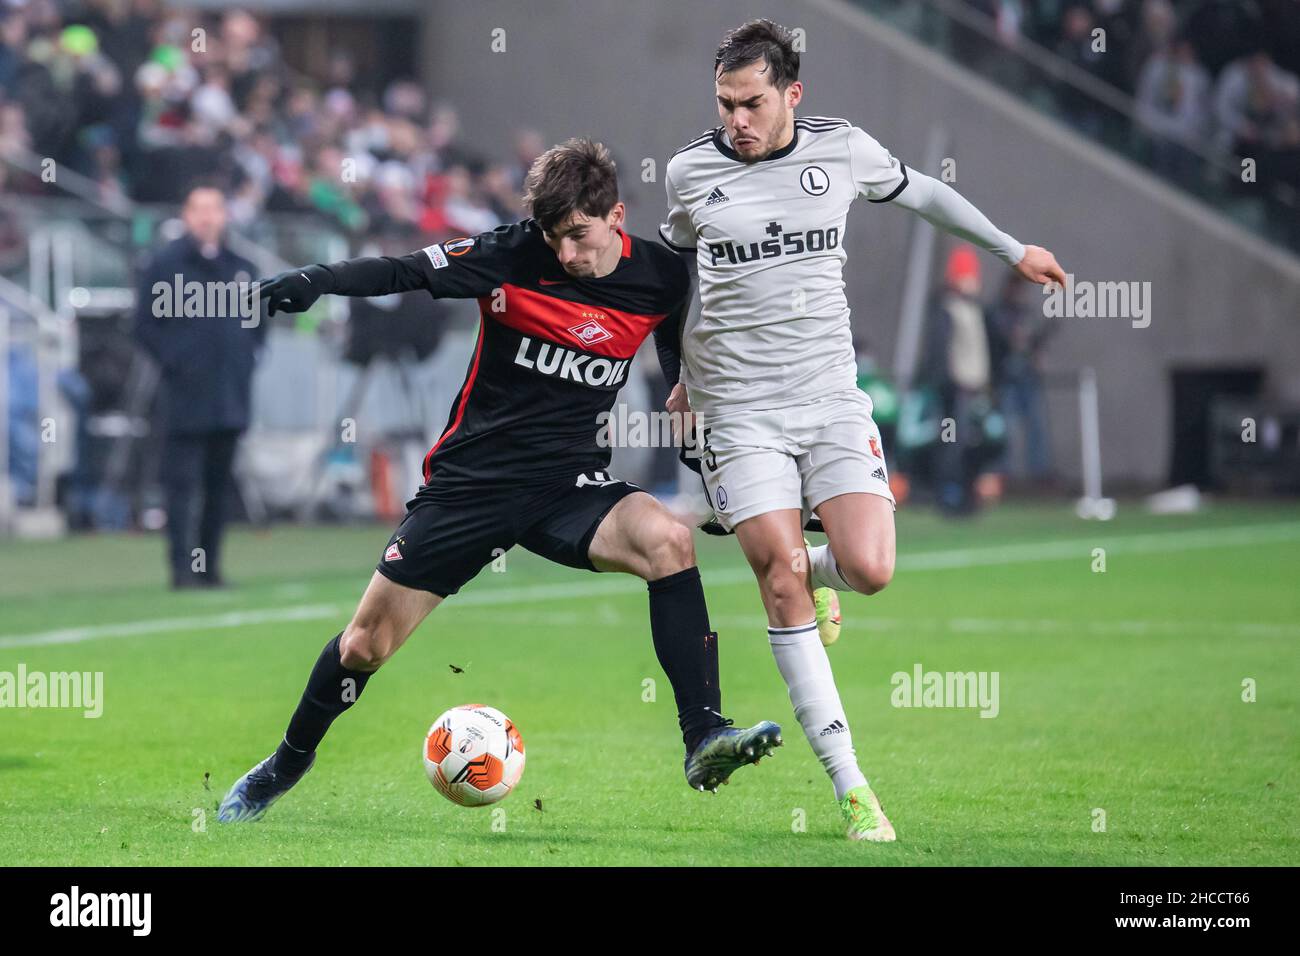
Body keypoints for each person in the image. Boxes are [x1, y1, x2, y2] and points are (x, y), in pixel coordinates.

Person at [218, 139, 780, 823]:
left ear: (617, 216)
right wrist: (319, 280)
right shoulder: (512, 255)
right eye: (554, 238)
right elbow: (406, 272)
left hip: (567, 484)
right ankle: (281, 768)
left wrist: (694, 420)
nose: (566, 254)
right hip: (472, 485)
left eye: (578, 235)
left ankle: (704, 736)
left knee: (669, 541)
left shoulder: (661, 276)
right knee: (364, 645)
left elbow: (675, 355)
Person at [658, 19, 1065, 841]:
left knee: (870, 568)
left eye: (752, 103)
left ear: (792, 95)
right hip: (737, 409)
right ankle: (853, 791)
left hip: (829, 397)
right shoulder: (690, 173)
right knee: (774, 578)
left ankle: (818, 568)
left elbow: (928, 197)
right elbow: (669, 276)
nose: (736, 119)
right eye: (725, 103)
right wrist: (679, 374)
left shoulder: (842, 151)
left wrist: (1011, 247)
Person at [134, 183, 265, 589]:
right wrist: (179, 361)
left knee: (218, 487)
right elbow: (144, 326)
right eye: (199, 209)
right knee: (181, 487)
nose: (207, 217)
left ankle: (210, 569)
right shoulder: (165, 265)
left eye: (215, 208)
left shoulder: (243, 267)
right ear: (187, 216)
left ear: (225, 214)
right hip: (185, 397)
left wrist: (244, 360)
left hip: (230, 396)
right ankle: (180, 570)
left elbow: (259, 324)